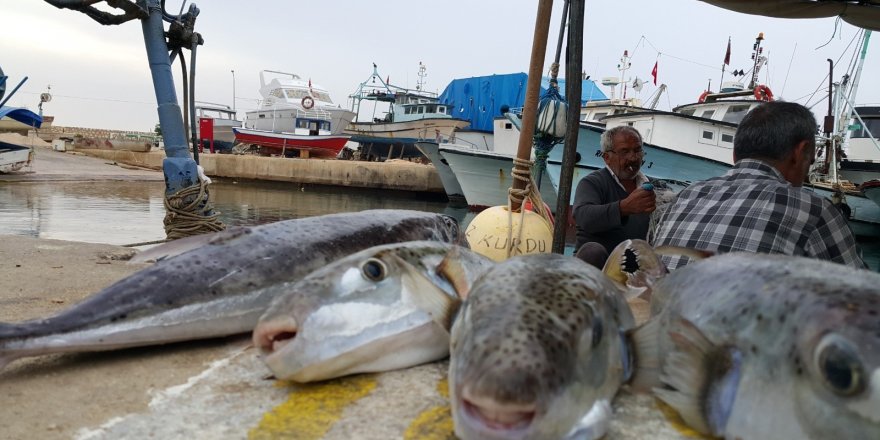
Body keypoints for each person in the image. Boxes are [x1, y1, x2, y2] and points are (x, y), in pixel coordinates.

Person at [651, 101, 866, 270]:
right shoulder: (814, 210)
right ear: (800, 152)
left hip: (666, 321)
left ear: (735, 154)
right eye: (811, 159)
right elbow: (862, 300)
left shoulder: (685, 196)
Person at [572, 125, 657, 268]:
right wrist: (623, 208)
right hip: (596, 271)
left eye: (637, 150)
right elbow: (583, 216)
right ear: (607, 158)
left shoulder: (652, 186)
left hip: (633, 271)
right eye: (624, 152)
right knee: (592, 251)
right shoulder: (592, 183)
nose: (633, 157)